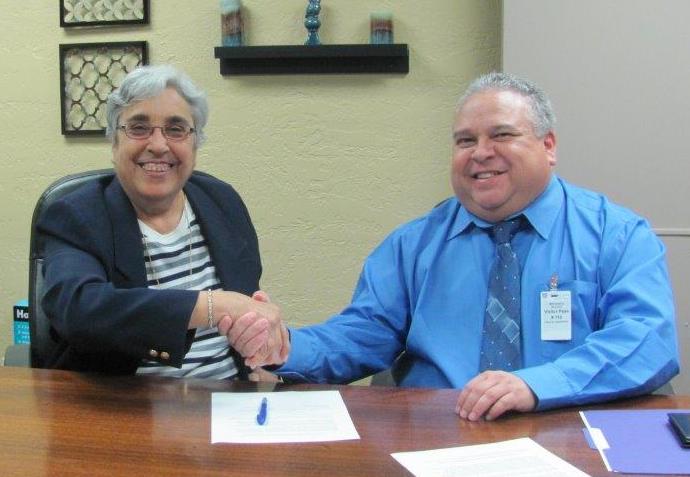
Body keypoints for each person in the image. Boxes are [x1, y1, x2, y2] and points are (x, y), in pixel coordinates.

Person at [223, 71, 679, 420]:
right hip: (436, 432)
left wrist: (537, 386)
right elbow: (363, 334)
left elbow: (646, 339)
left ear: (549, 145)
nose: (481, 152)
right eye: (466, 140)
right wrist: (286, 348)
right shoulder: (414, 244)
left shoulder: (616, 235)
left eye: (501, 135)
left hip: (567, 426)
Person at [38, 65, 288, 377]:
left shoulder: (223, 202)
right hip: (124, 411)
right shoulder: (77, 214)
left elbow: (246, 307)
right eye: (139, 128)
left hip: (228, 405)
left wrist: (262, 336)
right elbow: (78, 310)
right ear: (114, 143)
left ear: (194, 145)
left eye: (176, 129)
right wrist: (212, 306)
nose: (158, 145)